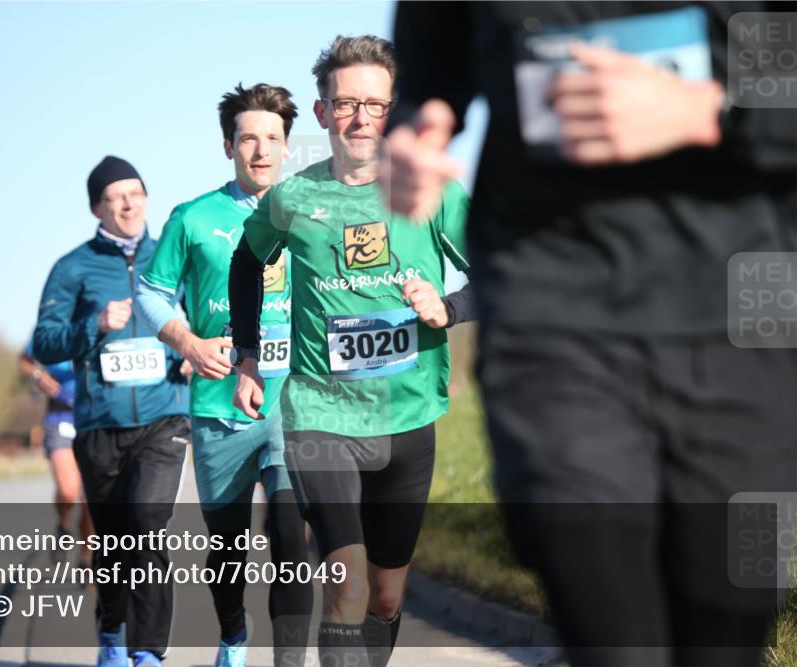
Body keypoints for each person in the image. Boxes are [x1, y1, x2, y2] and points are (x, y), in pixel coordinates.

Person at [383, 3, 797, 666]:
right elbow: (432, 66)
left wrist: (705, 112)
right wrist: (415, 133)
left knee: (726, 616)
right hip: (550, 309)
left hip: (741, 312)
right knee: (602, 605)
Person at [228, 35, 474, 667]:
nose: (361, 118)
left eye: (375, 104)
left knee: (386, 596)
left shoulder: (432, 190)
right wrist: (248, 355)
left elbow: (502, 271)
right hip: (319, 414)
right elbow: (246, 261)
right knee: (348, 586)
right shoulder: (293, 198)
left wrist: (449, 308)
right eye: (345, 104)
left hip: (408, 415)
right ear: (320, 114)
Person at [135, 82, 311, 667]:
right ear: (227, 146)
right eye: (247, 139)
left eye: (272, 139)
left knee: (290, 538)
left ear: (288, 147)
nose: (260, 150)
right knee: (227, 553)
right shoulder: (191, 218)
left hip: (296, 405)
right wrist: (186, 339)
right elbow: (151, 292)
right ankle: (234, 636)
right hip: (218, 408)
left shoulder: (311, 212)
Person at [33, 155, 191, 667]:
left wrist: (194, 351)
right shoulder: (73, 268)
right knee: (116, 546)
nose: (128, 203)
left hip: (164, 415)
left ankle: (148, 653)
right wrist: (94, 325)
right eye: (115, 196)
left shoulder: (171, 257)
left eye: (136, 193)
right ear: (96, 208)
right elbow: (44, 340)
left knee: (148, 524)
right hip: (100, 426)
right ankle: (110, 634)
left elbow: (208, 311)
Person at [17, 342, 92, 566]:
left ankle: (87, 555)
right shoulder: (54, 322)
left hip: (93, 419)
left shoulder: (104, 318)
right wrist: (39, 375)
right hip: (60, 420)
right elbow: (24, 359)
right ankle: (64, 523)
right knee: (68, 490)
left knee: (90, 499)